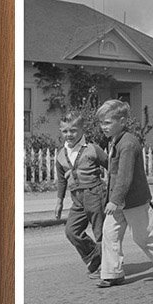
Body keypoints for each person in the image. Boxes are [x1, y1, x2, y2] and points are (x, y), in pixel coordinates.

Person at [96, 99, 153, 289]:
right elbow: (115, 171)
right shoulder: (114, 141)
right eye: (101, 123)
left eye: (107, 122)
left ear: (122, 121)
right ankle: (112, 273)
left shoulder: (129, 144)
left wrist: (114, 200)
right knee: (110, 235)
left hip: (134, 200)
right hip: (116, 201)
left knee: (144, 237)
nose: (103, 127)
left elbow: (125, 176)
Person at [53, 111, 108, 275]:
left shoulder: (92, 149)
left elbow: (111, 167)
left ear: (82, 130)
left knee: (100, 232)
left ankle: (107, 266)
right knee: (71, 231)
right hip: (77, 200)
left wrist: (112, 191)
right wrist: (59, 202)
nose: (69, 135)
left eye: (73, 130)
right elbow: (62, 179)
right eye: (65, 131)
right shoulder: (61, 154)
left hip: (95, 194)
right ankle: (94, 255)